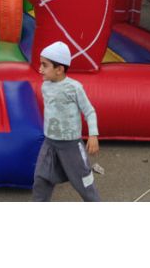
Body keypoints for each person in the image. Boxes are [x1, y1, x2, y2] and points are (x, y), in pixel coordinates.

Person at [32, 41, 101, 202]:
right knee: (41, 179)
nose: (40, 69)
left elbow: (89, 111)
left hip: (71, 145)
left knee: (84, 182)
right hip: (49, 143)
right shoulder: (45, 86)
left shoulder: (74, 88)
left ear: (59, 69)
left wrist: (93, 135)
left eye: (44, 65)